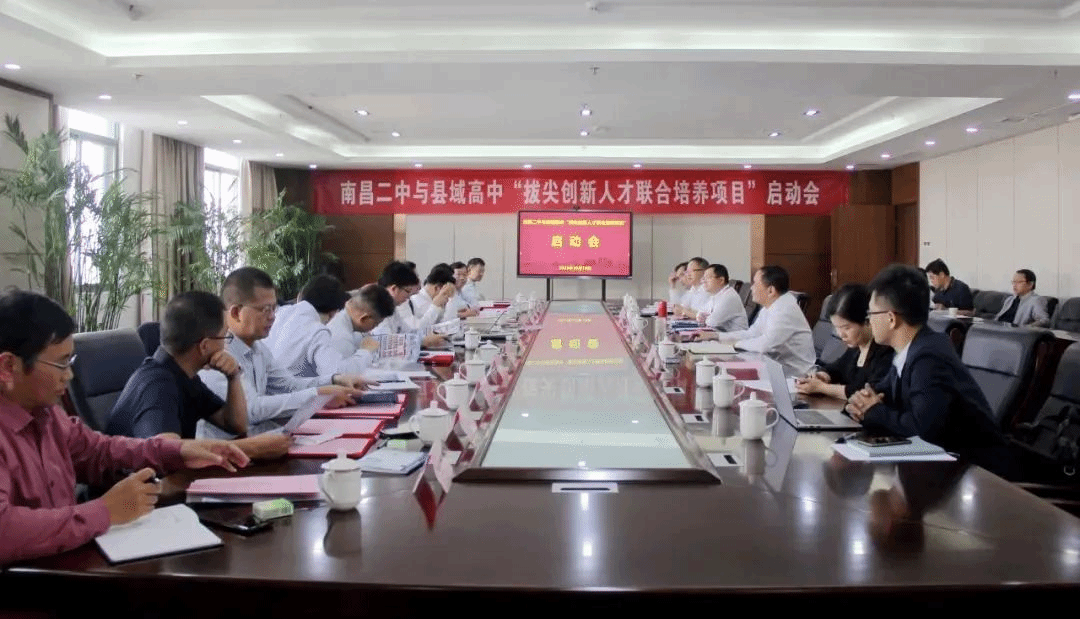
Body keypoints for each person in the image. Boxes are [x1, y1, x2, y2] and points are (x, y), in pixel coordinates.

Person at [0, 290, 249, 564]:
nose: (68, 375)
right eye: (60, 364)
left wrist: (179, 451)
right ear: (8, 366)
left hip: (69, 562)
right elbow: (4, 530)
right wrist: (105, 511)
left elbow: (100, 451)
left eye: (70, 362)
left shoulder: (49, 416)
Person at [846, 264, 1016, 479]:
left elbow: (924, 430)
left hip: (977, 476)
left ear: (891, 318)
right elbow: (879, 391)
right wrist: (861, 402)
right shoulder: (911, 349)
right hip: (943, 470)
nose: (869, 321)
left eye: (871, 313)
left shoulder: (929, 357)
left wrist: (872, 411)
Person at [107, 291, 289, 459]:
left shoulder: (185, 376)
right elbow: (166, 453)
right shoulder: (157, 386)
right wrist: (251, 448)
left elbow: (236, 425)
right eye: (225, 336)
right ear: (204, 346)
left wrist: (233, 377)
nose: (226, 345)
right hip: (138, 483)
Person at [197, 267, 371, 439]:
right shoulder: (218, 351)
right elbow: (251, 410)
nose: (272, 316)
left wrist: (335, 380)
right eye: (265, 309)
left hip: (257, 439)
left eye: (274, 308)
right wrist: (317, 395)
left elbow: (289, 385)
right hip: (224, 449)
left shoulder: (258, 348)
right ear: (236, 312)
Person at [702, 266, 815, 377]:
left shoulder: (785, 310)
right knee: (720, 368)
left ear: (771, 291)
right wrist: (717, 336)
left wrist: (734, 344)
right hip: (774, 365)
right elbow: (752, 333)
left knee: (724, 372)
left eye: (755, 284)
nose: (751, 288)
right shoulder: (771, 305)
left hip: (796, 375)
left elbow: (765, 345)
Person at [795, 283, 893, 400]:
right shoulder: (856, 347)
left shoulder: (885, 350)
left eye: (846, 328)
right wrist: (823, 376)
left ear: (867, 321)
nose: (841, 334)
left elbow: (866, 392)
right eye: (837, 327)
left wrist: (821, 388)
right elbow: (836, 368)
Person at [266, 274, 363, 377]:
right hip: (290, 385)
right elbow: (337, 373)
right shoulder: (317, 331)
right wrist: (365, 352)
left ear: (301, 294)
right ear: (334, 312)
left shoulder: (280, 313)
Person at [370, 261, 449, 349]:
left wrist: (424, 340)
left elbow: (409, 331)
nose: (408, 297)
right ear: (394, 289)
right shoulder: (377, 307)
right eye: (407, 291)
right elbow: (386, 343)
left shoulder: (392, 307)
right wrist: (422, 341)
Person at [327, 284, 396, 368]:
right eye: (376, 324)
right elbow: (347, 372)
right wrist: (366, 351)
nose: (375, 327)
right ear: (364, 318)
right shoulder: (341, 338)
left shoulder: (347, 324)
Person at [696, 263, 748, 332]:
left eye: (708, 278)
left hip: (735, 337)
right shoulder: (715, 295)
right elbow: (700, 314)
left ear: (721, 280)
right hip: (721, 334)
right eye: (704, 278)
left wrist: (705, 318)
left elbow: (712, 322)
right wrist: (703, 317)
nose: (704, 281)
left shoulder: (729, 297)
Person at [409, 264, 458, 329]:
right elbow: (422, 328)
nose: (447, 298)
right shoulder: (416, 301)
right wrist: (435, 306)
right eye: (447, 293)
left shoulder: (433, 298)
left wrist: (451, 299)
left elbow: (452, 324)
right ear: (437, 288)